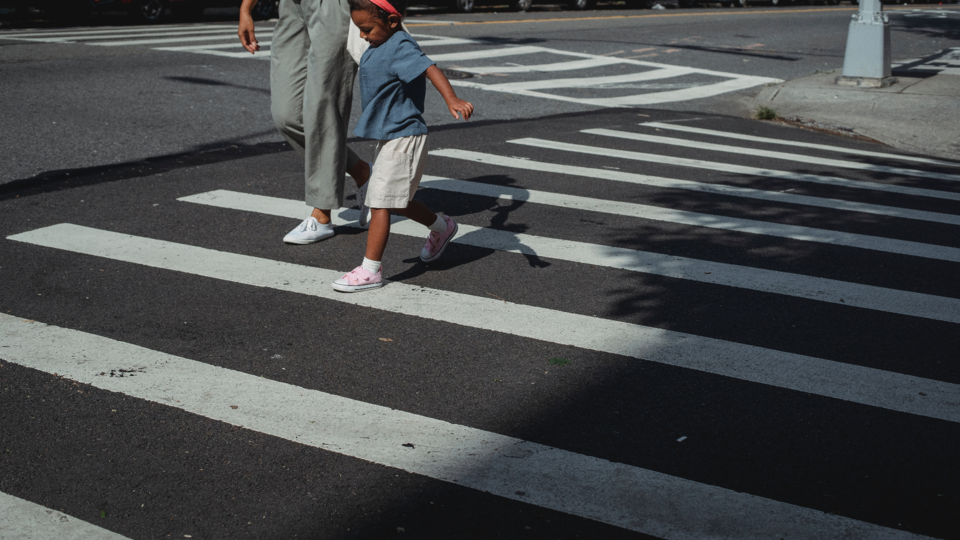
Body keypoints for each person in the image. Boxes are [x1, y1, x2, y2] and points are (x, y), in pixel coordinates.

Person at [331, 0, 474, 293]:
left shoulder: (400, 45)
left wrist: (452, 99)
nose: (362, 35)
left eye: (366, 29)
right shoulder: (379, 43)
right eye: (359, 29)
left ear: (393, 21)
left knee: (380, 201)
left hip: (405, 136)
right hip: (391, 136)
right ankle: (441, 227)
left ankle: (371, 269)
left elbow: (428, 67)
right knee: (397, 199)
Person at [238, 0, 371, 245]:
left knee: (323, 107)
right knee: (286, 116)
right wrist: (246, 9)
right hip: (291, 7)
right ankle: (361, 170)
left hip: (333, 6)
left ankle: (321, 216)